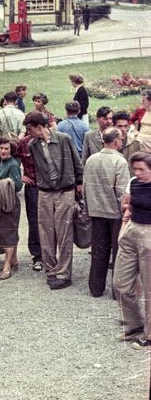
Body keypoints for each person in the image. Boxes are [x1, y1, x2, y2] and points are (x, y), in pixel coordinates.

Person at [24, 111, 83, 290]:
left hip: (65, 190)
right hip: (45, 191)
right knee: (46, 232)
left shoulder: (63, 139)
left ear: (39, 127)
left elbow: (76, 162)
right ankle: (51, 269)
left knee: (64, 232)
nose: (28, 133)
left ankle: (64, 274)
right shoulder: (33, 144)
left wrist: (79, 183)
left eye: (29, 129)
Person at [83, 127, 129, 297]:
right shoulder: (120, 161)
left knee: (98, 251)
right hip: (115, 213)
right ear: (116, 141)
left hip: (96, 211)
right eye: (121, 139)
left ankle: (95, 288)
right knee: (118, 252)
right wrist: (125, 212)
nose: (122, 142)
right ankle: (118, 291)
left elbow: (86, 186)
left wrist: (88, 207)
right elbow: (122, 192)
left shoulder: (91, 160)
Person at [113, 152, 151, 349]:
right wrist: (125, 219)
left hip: (149, 234)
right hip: (132, 230)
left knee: (149, 287)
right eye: (134, 169)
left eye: (142, 170)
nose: (137, 173)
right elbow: (128, 205)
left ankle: (149, 334)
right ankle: (134, 325)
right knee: (120, 283)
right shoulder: (135, 182)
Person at [0, 137, 23, 280]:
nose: (3, 151)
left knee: (9, 233)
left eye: (6, 148)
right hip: (2, 202)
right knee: (8, 231)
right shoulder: (2, 163)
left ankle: (7, 266)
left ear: (11, 150)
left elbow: (18, 185)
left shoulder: (13, 164)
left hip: (10, 204)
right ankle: (13, 259)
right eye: (1, 148)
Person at [16, 133, 43, 271]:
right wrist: (20, 176)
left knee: (50, 222)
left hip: (50, 187)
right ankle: (37, 256)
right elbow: (11, 158)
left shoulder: (49, 141)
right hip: (33, 187)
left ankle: (50, 255)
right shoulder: (23, 142)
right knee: (34, 222)